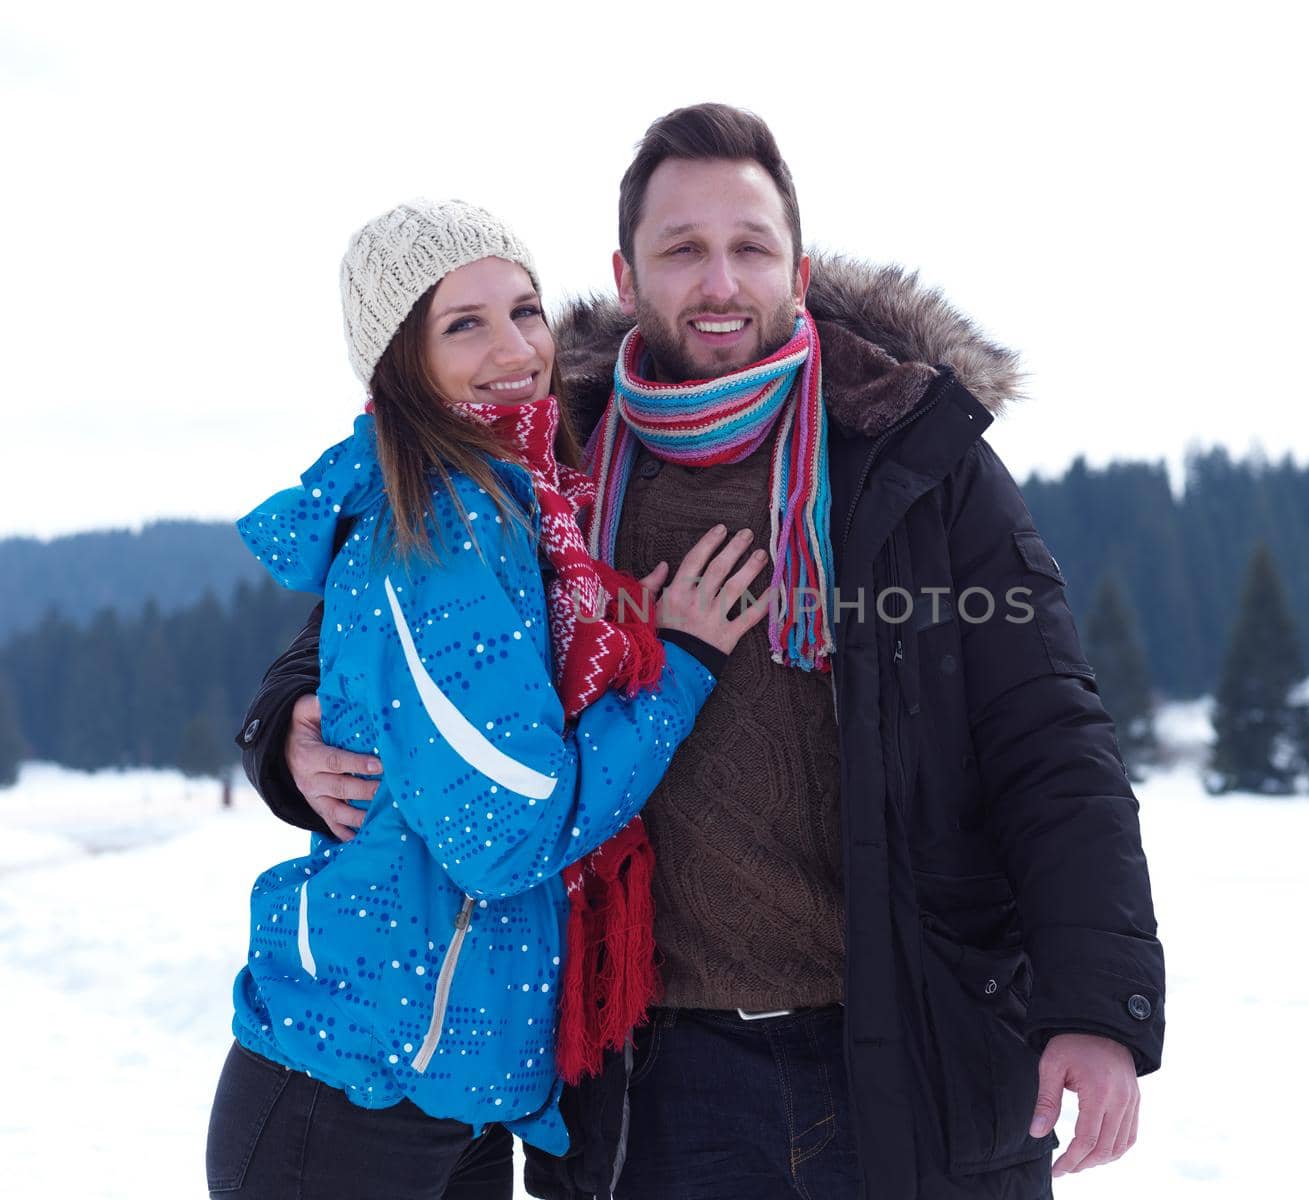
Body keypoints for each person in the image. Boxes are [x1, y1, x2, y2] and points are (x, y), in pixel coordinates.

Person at [236, 107, 1166, 1200]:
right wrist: (286, 729)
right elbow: (369, 629)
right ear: (627, 276)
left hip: (906, 1047)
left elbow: (1050, 739)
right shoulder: (548, 453)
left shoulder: (910, 458)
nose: (718, 280)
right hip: (656, 1085)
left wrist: (1096, 1007)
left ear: (797, 268)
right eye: (682, 250)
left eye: (748, 247)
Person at [206, 198, 771, 1200]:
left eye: (525, 310)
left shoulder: (519, 497)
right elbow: (506, 836)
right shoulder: (444, 530)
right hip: (351, 1104)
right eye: (462, 324)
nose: (515, 349)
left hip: (445, 1091)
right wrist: (676, 665)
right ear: (401, 363)